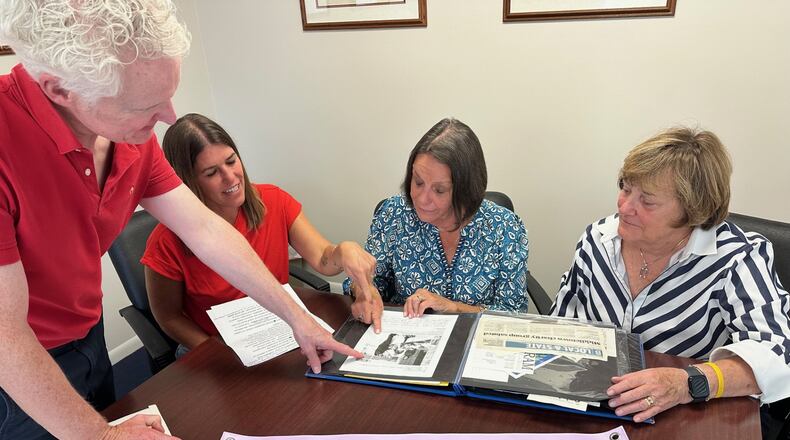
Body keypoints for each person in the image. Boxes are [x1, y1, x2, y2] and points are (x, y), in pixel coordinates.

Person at [0, 1, 359, 439]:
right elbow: (6, 339)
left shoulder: (128, 136)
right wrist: (103, 436)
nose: (169, 117)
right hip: (19, 363)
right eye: (143, 104)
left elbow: (207, 230)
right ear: (60, 91)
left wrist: (297, 319)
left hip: (84, 330)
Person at [551, 126, 790, 423]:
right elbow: (562, 324)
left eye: (647, 201)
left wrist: (686, 384)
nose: (625, 207)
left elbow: (777, 353)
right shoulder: (597, 239)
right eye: (625, 188)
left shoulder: (737, 258)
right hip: (600, 407)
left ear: (693, 209)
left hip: (687, 414)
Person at [141, 113, 382, 352]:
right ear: (188, 182)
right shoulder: (165, 241)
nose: (230, 177)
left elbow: (323, 258)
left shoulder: (274, 200)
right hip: (215, 344)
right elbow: (169, 317)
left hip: (279, 330)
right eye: (212, 173)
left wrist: (343, 250)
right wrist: (215, 353)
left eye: (231, 161)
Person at [345, 118, 529, 316]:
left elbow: (513, 313)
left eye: (439, 190)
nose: (422, 199)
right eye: (418, 182)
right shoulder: (395, 214)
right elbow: (368, 280)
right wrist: (364, 290)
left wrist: (453, 307)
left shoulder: (504, 227)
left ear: (465, 190)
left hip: (474, 341)